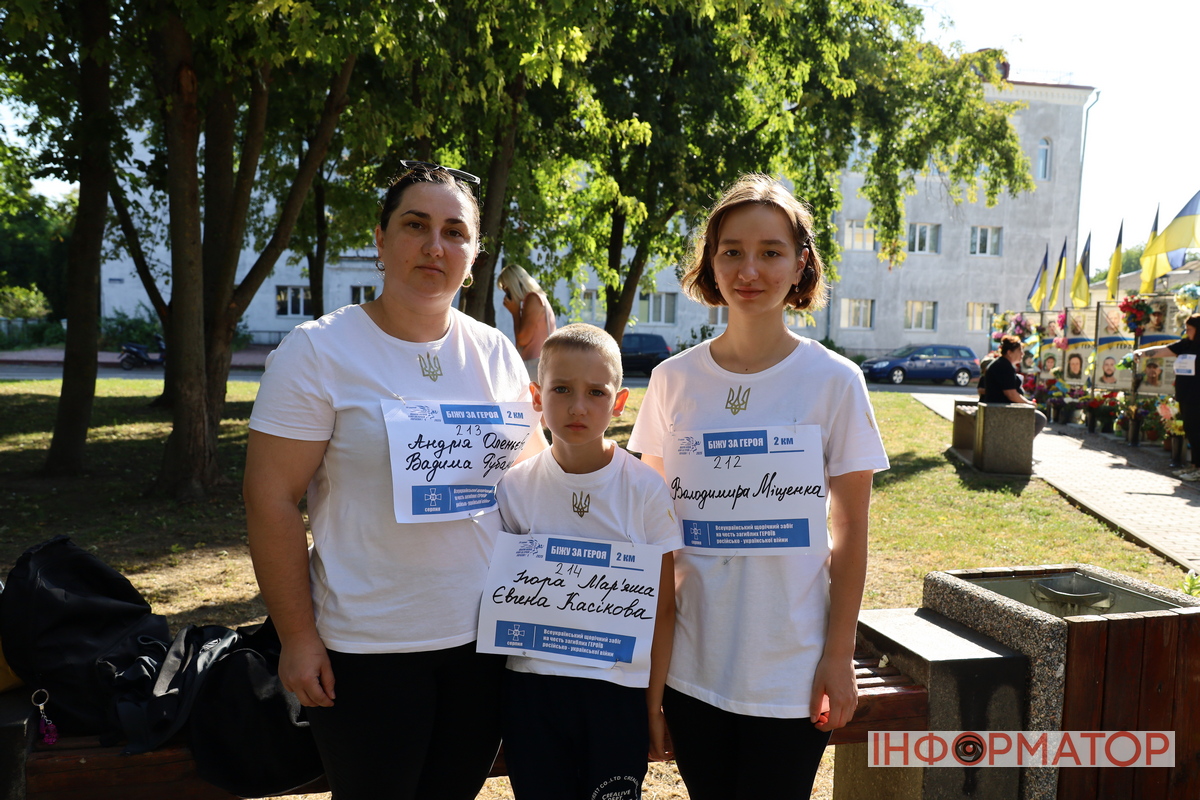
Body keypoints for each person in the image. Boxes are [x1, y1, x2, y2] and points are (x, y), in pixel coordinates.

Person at [242, 161, 545, 800]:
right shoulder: (317, 351)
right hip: (365, 650)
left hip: (483, 644)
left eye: (455, 232)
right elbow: (270, 499)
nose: (435, 246)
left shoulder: (494, 352)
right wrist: (297, 637)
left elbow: (529, 485)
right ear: (380, 239)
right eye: (415, 225)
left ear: (473, 254)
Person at [628, 174, 889, 799]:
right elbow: (653, 537)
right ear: (710, 263)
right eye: (732, 251)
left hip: (791, 671)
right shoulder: (671, 381)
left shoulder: (835, 381)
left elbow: (851, 531)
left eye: (771, 252)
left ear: (801, 263)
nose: (749, 270)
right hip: (693, 668)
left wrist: (839, 656)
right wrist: (652, 673)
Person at [496, 323, 682, 800]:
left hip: (617, 695)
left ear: (619, 402)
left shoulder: (645, 489)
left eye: (596, 392)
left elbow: (663, 609)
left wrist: (653, 705)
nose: (578, 406)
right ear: (537, 397)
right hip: (533, 692)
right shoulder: (514, 488)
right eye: (561, 389)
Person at [1134, 313, 1200, 480]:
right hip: (1185, 396)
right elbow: (1163, 350)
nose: (1186, 332)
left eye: (1190, 329)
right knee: (1191, 431)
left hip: (1198, 397)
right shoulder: (1185, 344)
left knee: (1197, 432)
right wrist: (1141, 353)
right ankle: (1194, 466)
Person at [499, 264, 558, 380]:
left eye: (508, 291)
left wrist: (515, 313)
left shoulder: (533, 298)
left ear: (514, 286)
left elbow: (522, 339)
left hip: (534, 365)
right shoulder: (537, 299)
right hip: (539, 364)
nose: (507, 296)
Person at [984, 334, 1047, 435]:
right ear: (1009, 352)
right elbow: (1011, 394)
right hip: (1000, 409)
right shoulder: (1004, 366)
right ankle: (1023, 443)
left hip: (1000, 407)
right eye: (1019, 350)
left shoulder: (1002, 364)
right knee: (1040, 419)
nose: (1022, 353)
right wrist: (1029, 403)